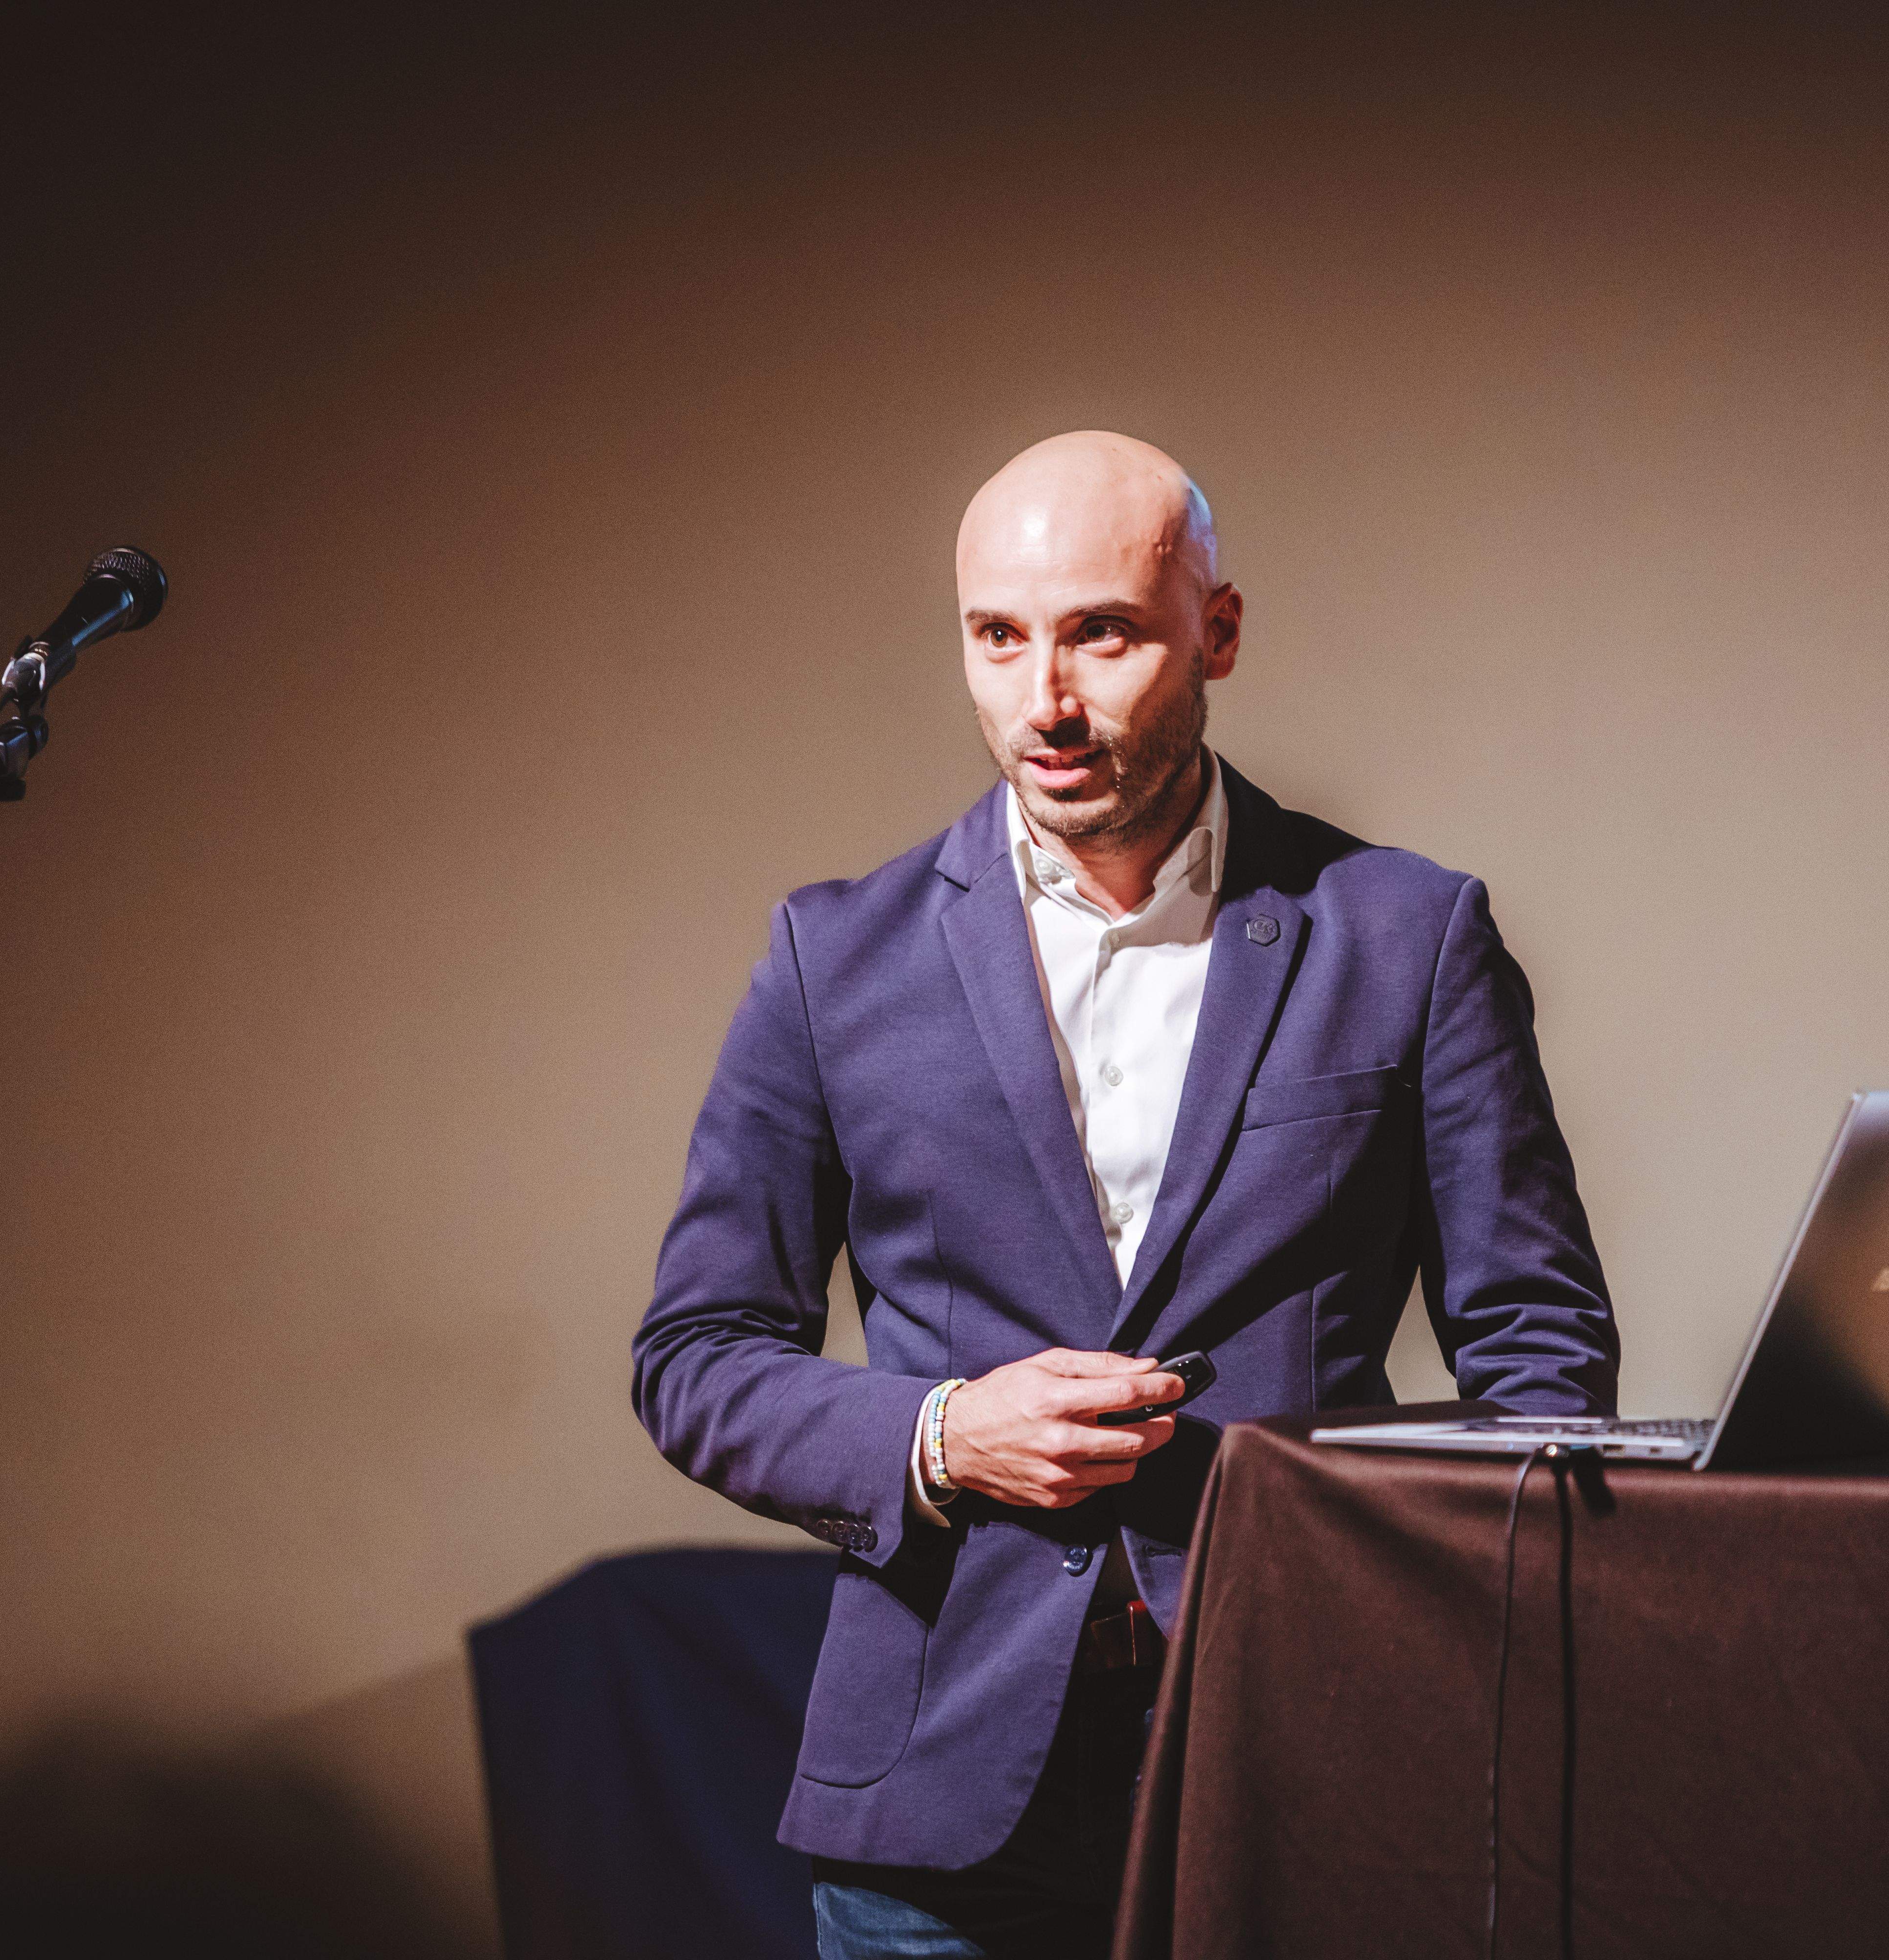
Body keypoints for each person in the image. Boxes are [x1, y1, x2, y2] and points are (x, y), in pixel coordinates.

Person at [631, 431, 1617, 1959]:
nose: (1047, 701)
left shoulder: (1410, 937)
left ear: (1217, 630)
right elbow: (695, 1359)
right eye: (998, 637)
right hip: (939, 1810)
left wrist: (1414, 1616)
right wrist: (946, 1435)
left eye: (1101, 631)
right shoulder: (834, 959)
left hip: (1323, 1768)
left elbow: (1542, 1358)